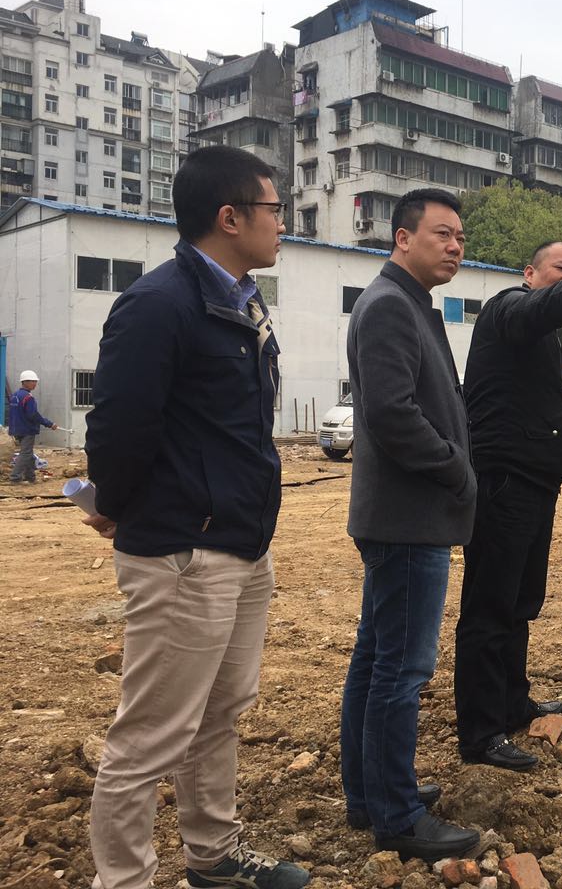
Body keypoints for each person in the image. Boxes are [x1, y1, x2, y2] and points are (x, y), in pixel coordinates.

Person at [81, 146, 308, 889]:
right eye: (275, 209)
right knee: (152, 733)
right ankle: (124, 879)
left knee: (220, 711)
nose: (283, 223)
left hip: (240, 543)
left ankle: (212, 855)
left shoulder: (241, 301)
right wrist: (117, 507)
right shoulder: (159, 304)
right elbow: (119, 428)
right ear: (230, 217)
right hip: (185, 552)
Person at [340, 188, 480, 862]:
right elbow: (394, 415)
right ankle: (395, 815)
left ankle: (370, 794)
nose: (455, 246)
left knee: (377, 659)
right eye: (442, 234)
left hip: (406, 515)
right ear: (402, 238)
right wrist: (456, 468)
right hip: (408, 517)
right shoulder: (391, 306)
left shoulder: (409, 302)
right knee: (402, 669)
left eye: (460, 237)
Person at [454, 241, 562, 771]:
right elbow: (536, 309)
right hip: (504, 483)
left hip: (535, 483)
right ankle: (481, 732)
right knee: (490, 606)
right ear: (529, 273)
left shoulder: (542, 337)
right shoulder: (508, 308)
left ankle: (513, 702)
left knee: (521, 602)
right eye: (561, 268)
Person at [8, 370, 58, 483]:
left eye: (35, 381)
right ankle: (15, 478)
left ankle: (30, 477)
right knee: (25, 453)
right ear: (25, 382)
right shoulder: (28, 397)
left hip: (17, 429)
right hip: (27, 429)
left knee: (28, 453)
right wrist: (49, 424)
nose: (35, 384)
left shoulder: (15, 395)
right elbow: (33, 415)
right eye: (32, 381)